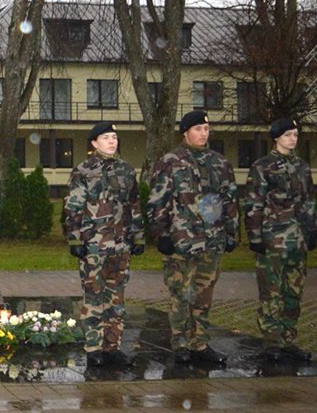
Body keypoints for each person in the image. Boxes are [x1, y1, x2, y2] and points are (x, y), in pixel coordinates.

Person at [147, 110, 238, 366]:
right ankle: (181, 343)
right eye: (198, 129)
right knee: (180, 293)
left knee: (203, 294)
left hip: (213, 240)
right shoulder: (170, 161)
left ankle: (200, 343)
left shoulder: (219, 162)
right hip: (182, 240)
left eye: (206, 129)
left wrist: (232, 232)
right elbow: (158, 201)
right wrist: (161, 234)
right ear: (185, 132)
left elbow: (229, 200)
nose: (203, 134)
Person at [62, 122, 143, 368]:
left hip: (120, 246)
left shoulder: (126, 170)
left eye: (115, 137)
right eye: (106, 137)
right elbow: (73, 207)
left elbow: (135, 205)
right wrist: (75, 239)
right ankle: (93, 349)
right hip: (94, 246)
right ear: (94, 143)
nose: (112, 141)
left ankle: (112, 348)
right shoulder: (83, 171)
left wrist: (138, 236)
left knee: (116, 299)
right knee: (94, 298)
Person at [244, 118, 316, 363]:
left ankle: (288, 339)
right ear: (276, 138)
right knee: (271, 292)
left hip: (297, 241)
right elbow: (254, 203)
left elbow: (309, 201)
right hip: (273, 239)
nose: (293, 139)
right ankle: (272, 341)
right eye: (287, 135)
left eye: (295, 134)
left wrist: (312, 230)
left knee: (293, 292)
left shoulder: (302, 167)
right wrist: (254, 236)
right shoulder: (262, 166)